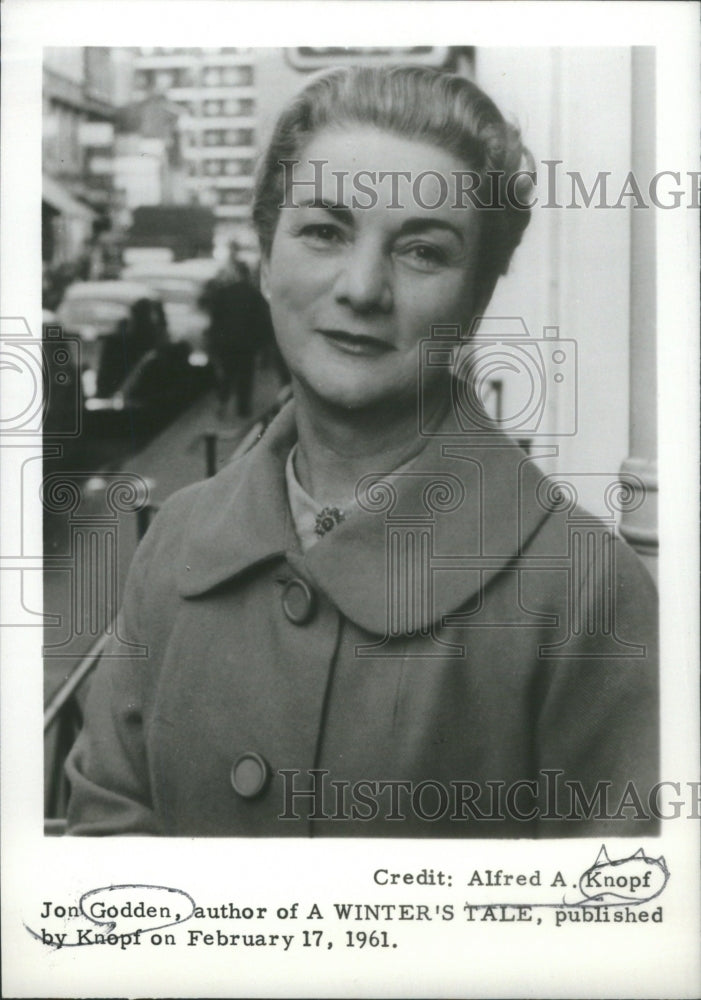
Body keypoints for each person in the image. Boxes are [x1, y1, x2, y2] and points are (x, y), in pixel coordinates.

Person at [65, 65, 658, 837]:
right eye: (323, 231)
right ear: (267, 257)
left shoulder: (583, 591)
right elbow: (107, 845)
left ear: (476, 298)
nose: (362, 287)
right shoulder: (176, 538)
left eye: (421, 252)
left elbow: (609, 924)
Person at [198, 244, 275, 419]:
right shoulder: (254, 294)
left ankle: (222, 403)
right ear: (247, 274)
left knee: (227, 374)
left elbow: (215, 319)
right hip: (247, 345)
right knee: (245, 377)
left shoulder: (224, 292)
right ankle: (243, 409)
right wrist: (262, 343)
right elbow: (263, 320)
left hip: (227, 343)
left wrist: (215, 341)